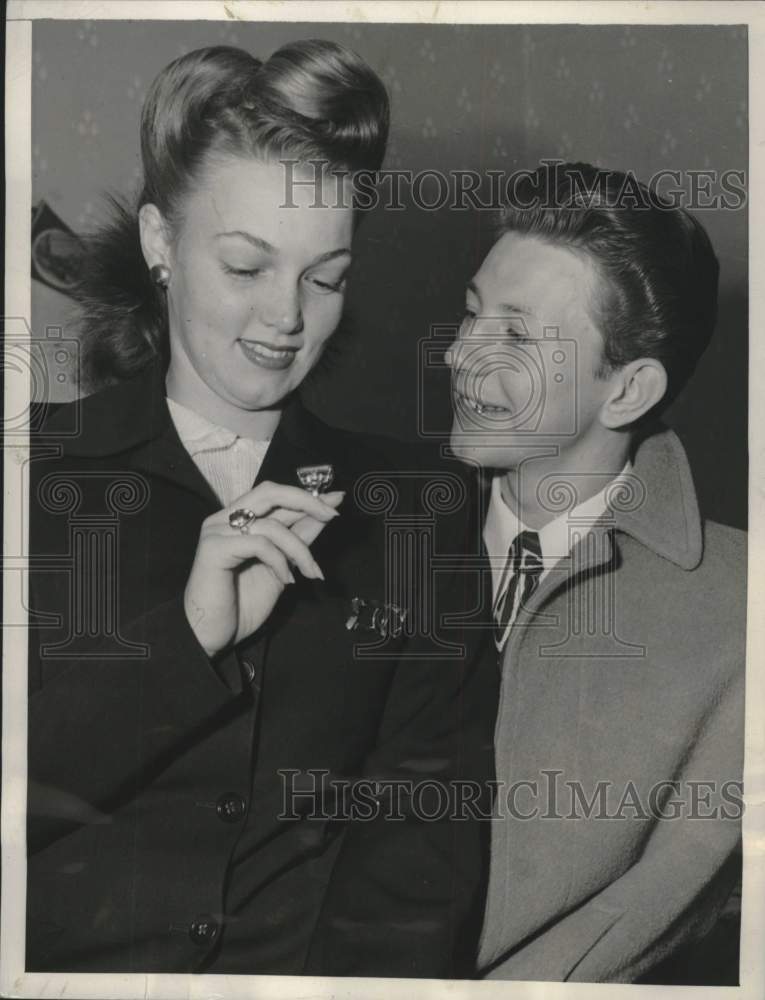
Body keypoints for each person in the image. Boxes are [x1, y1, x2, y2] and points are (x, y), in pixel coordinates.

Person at [26, 41, 497, 976]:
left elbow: (419, 855)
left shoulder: (418, 510)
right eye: (246, 267)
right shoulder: (30, 469)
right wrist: (187, 639)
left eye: (324, 277)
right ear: (161, 245)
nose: (288, 317)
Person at [446, 162, 745, 982]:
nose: (457, 358)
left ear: (626, 389)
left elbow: (660, 903)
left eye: (513, 336)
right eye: (470, 316)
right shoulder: (361, 534)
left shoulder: (740, 609)